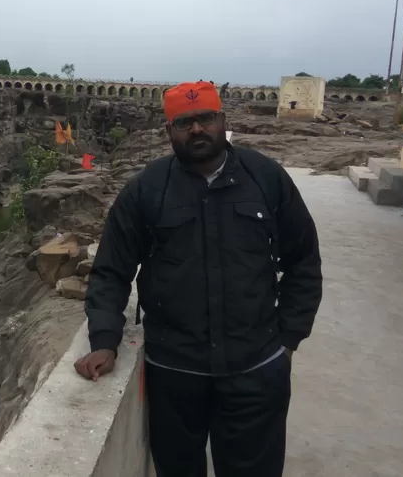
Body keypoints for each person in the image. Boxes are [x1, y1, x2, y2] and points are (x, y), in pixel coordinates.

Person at [74, 81, 322, 477]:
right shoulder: (146, 190)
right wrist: (105, 340)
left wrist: (289, 338)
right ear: (168, 130)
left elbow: (304, 260)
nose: (196, 129)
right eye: (184, 122)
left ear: (222, 120)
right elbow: (111, 270)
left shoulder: (266, 179)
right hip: (175, 375)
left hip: (255, 371)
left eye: (205, 118)